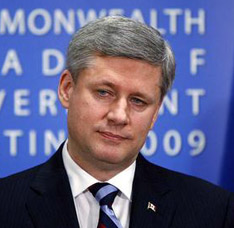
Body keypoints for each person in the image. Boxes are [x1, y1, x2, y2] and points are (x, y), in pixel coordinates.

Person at [0, 16, 233, 228]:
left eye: (138, 101)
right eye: (104, 92)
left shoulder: (214, 211)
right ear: (66, 89)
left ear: (155, 113)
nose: (119, 116)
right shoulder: (6, 205)